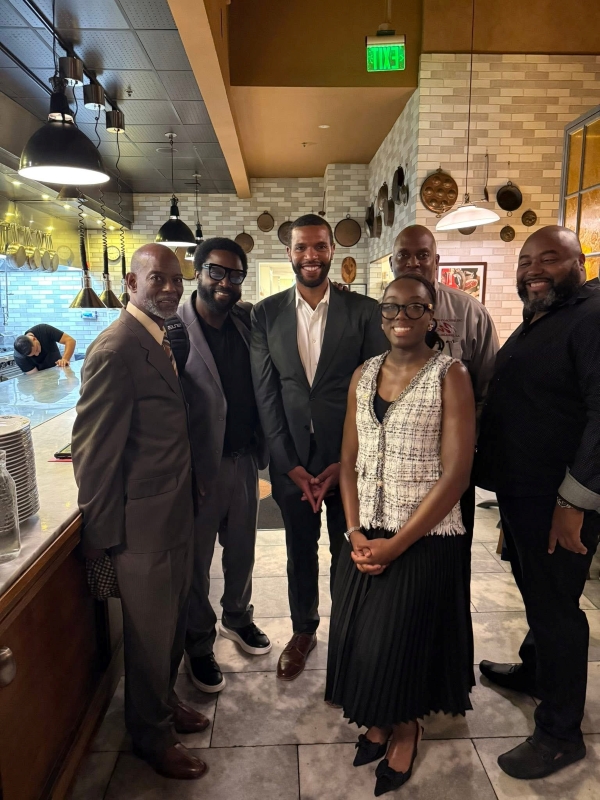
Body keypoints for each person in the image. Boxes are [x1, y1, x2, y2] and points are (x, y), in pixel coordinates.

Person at [325, 274, 475, 796]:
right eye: (391, 307)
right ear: (380, 314)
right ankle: (380, 719)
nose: (401, 317)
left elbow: (456, 475)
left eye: (415, 308)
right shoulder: (363, 374)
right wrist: (353, 531)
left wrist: (397, 543)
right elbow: (347, 461)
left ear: (432, 316)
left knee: (397, 642)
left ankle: (407, 728)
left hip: (424, 537)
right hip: (364, 531)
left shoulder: (450, 375)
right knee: (358, 637)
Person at [72, 244, 209, 781]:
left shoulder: (159, 335)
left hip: (174, 512)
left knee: (170, 627)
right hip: (140, 527)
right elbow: (94, 452)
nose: (171, 288)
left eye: (177, 279)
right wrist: (99, 536)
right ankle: (151, 735)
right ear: (131, 282)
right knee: (150, 636)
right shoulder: (115, 349)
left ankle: (163, 702)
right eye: (158, 279)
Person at [475, 226, 600, 780]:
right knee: (536, 594)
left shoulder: (591, 317)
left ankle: (560, 734)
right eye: (526, 261)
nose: (533, 270)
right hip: (526, 494)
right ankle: (535, 671)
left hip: (560, 499)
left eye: (549, 259)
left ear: (579, 263)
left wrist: (574, 503)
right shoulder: (544, 318)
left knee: (556, 610)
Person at [251, 214, 388, 681]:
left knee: (349, 548)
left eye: (319, 246)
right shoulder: (265, 313)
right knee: (299, 550)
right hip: (291, 459)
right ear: (289, 252)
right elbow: (266, 394)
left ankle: (350, 632)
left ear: (333, 250)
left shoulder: (364, 311)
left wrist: (344, 462)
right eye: (301, 247)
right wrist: (288, 464)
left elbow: (374, 392)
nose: (310, 256)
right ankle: (303, 632)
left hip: (347, 458)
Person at [178, 237, 271, 695]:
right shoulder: (173, 329)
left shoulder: (245, 321)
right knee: (196, 564)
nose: (226, 282)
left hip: (243, 460)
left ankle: (237, 616)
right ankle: (198, 641)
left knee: (241, 551)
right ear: (197, 272)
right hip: (198, 469)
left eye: (235, 275)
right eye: (216, 271)